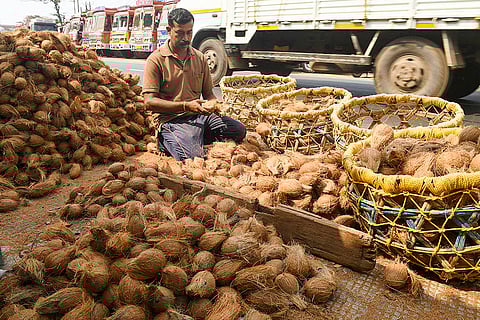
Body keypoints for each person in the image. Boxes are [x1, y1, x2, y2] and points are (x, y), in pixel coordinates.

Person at [142, 8, 246, 161]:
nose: (186, 38)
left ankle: (192, 138)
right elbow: (149, 102)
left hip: (199, 117)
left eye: (189, 32)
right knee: (190, 156)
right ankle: (169, 140)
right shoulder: (156, 60)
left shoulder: (200, 58)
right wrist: (185, 106)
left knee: (238, 130)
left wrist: (212, 103)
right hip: (172, 120)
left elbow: (209, 94)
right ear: (169, 30)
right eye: (180, 33)